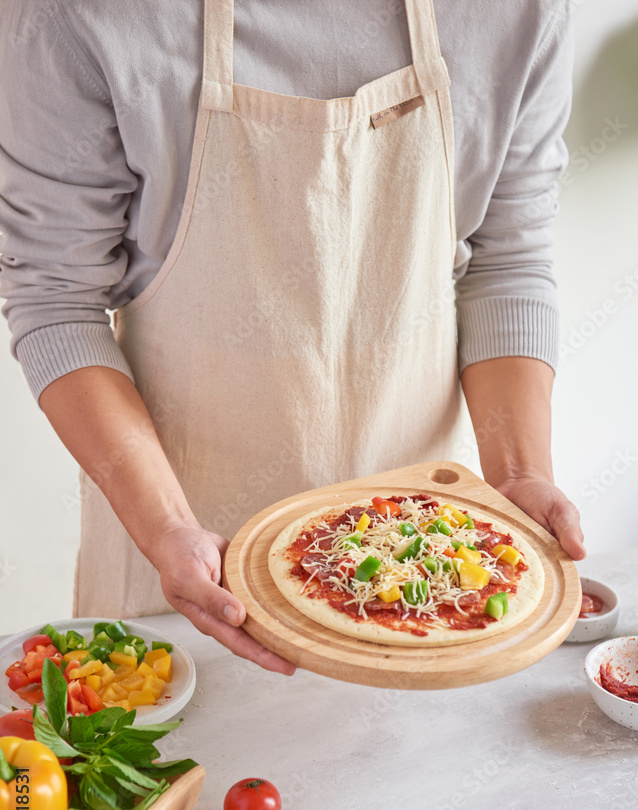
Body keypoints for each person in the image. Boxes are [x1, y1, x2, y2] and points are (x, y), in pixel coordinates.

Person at [0, 0, 585, 678]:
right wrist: (166, 530)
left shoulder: (516, 11)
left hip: (432, 566)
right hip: (182, 552)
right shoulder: (76, 13)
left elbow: (502, 264)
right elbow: (56, 298)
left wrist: (517, 476)